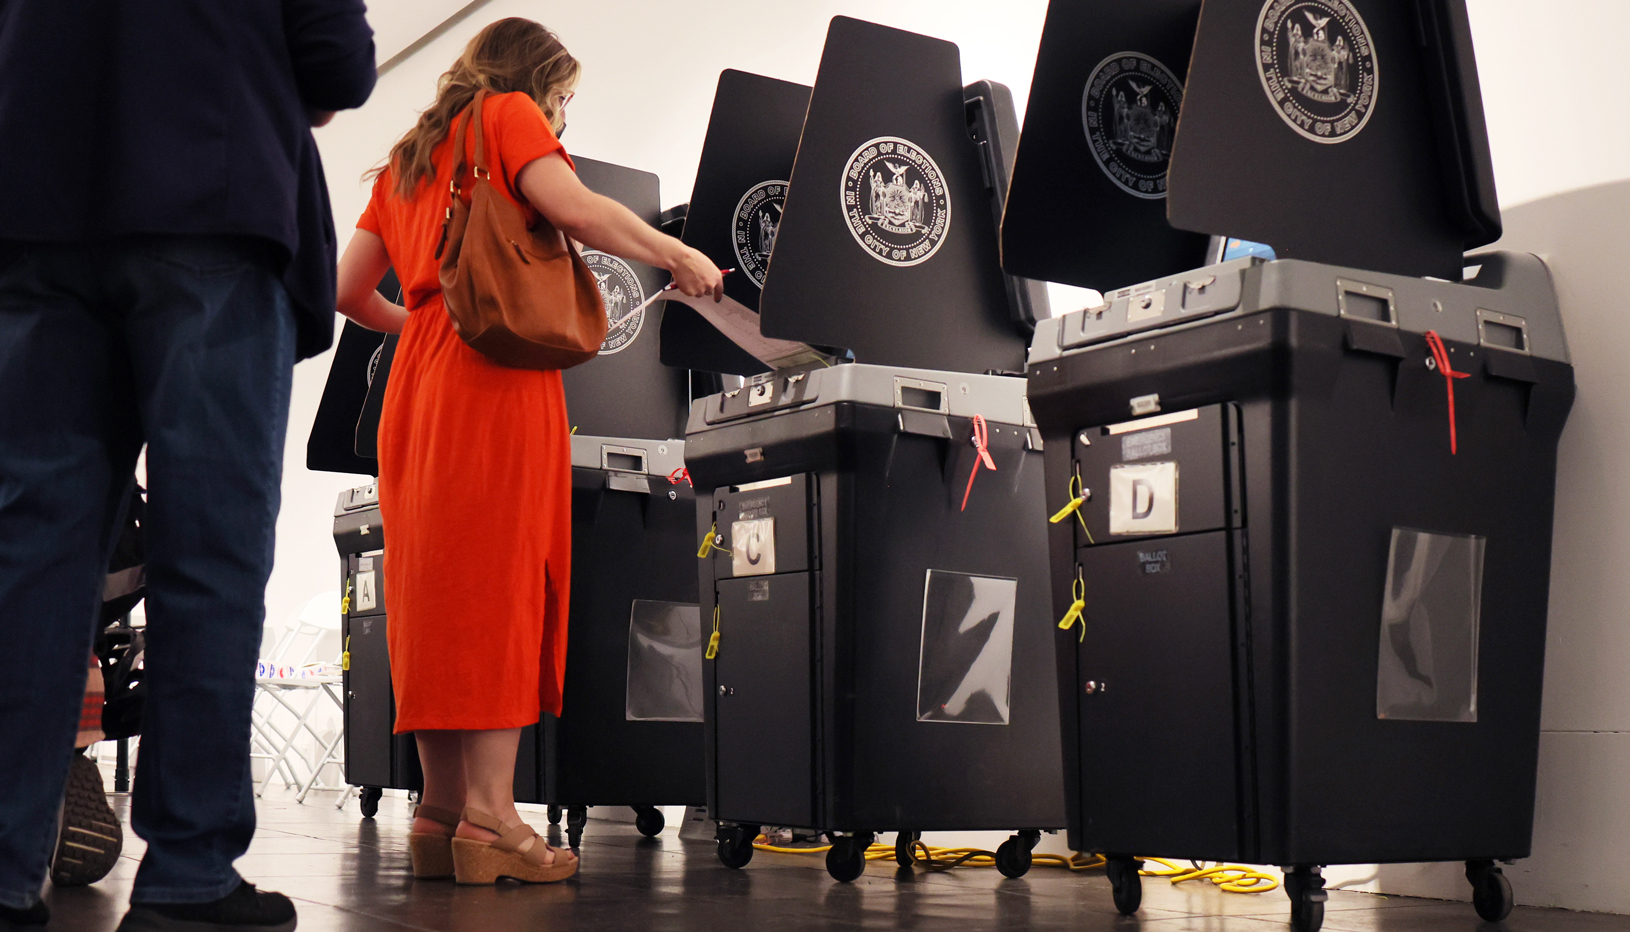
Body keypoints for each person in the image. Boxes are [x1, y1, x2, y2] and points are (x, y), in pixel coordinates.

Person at [0, 2, 376, 929]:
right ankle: (188, 871)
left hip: (34, 199)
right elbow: (335, 62)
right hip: (212, 191)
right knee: (208, 550)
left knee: (32, 558)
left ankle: (3, 874)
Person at [334, 17, 722, 885]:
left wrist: (424, 323)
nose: (557, 114)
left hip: (417, 390)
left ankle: (438, 813)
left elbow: (347, 289)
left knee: (432, 589)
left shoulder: (406, 157)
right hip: (492, 382)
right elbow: (576, 209)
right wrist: (674, 253)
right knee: (502, 583)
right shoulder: (507, 115)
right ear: (535, 80)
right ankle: (495, 820)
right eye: (562, 98)